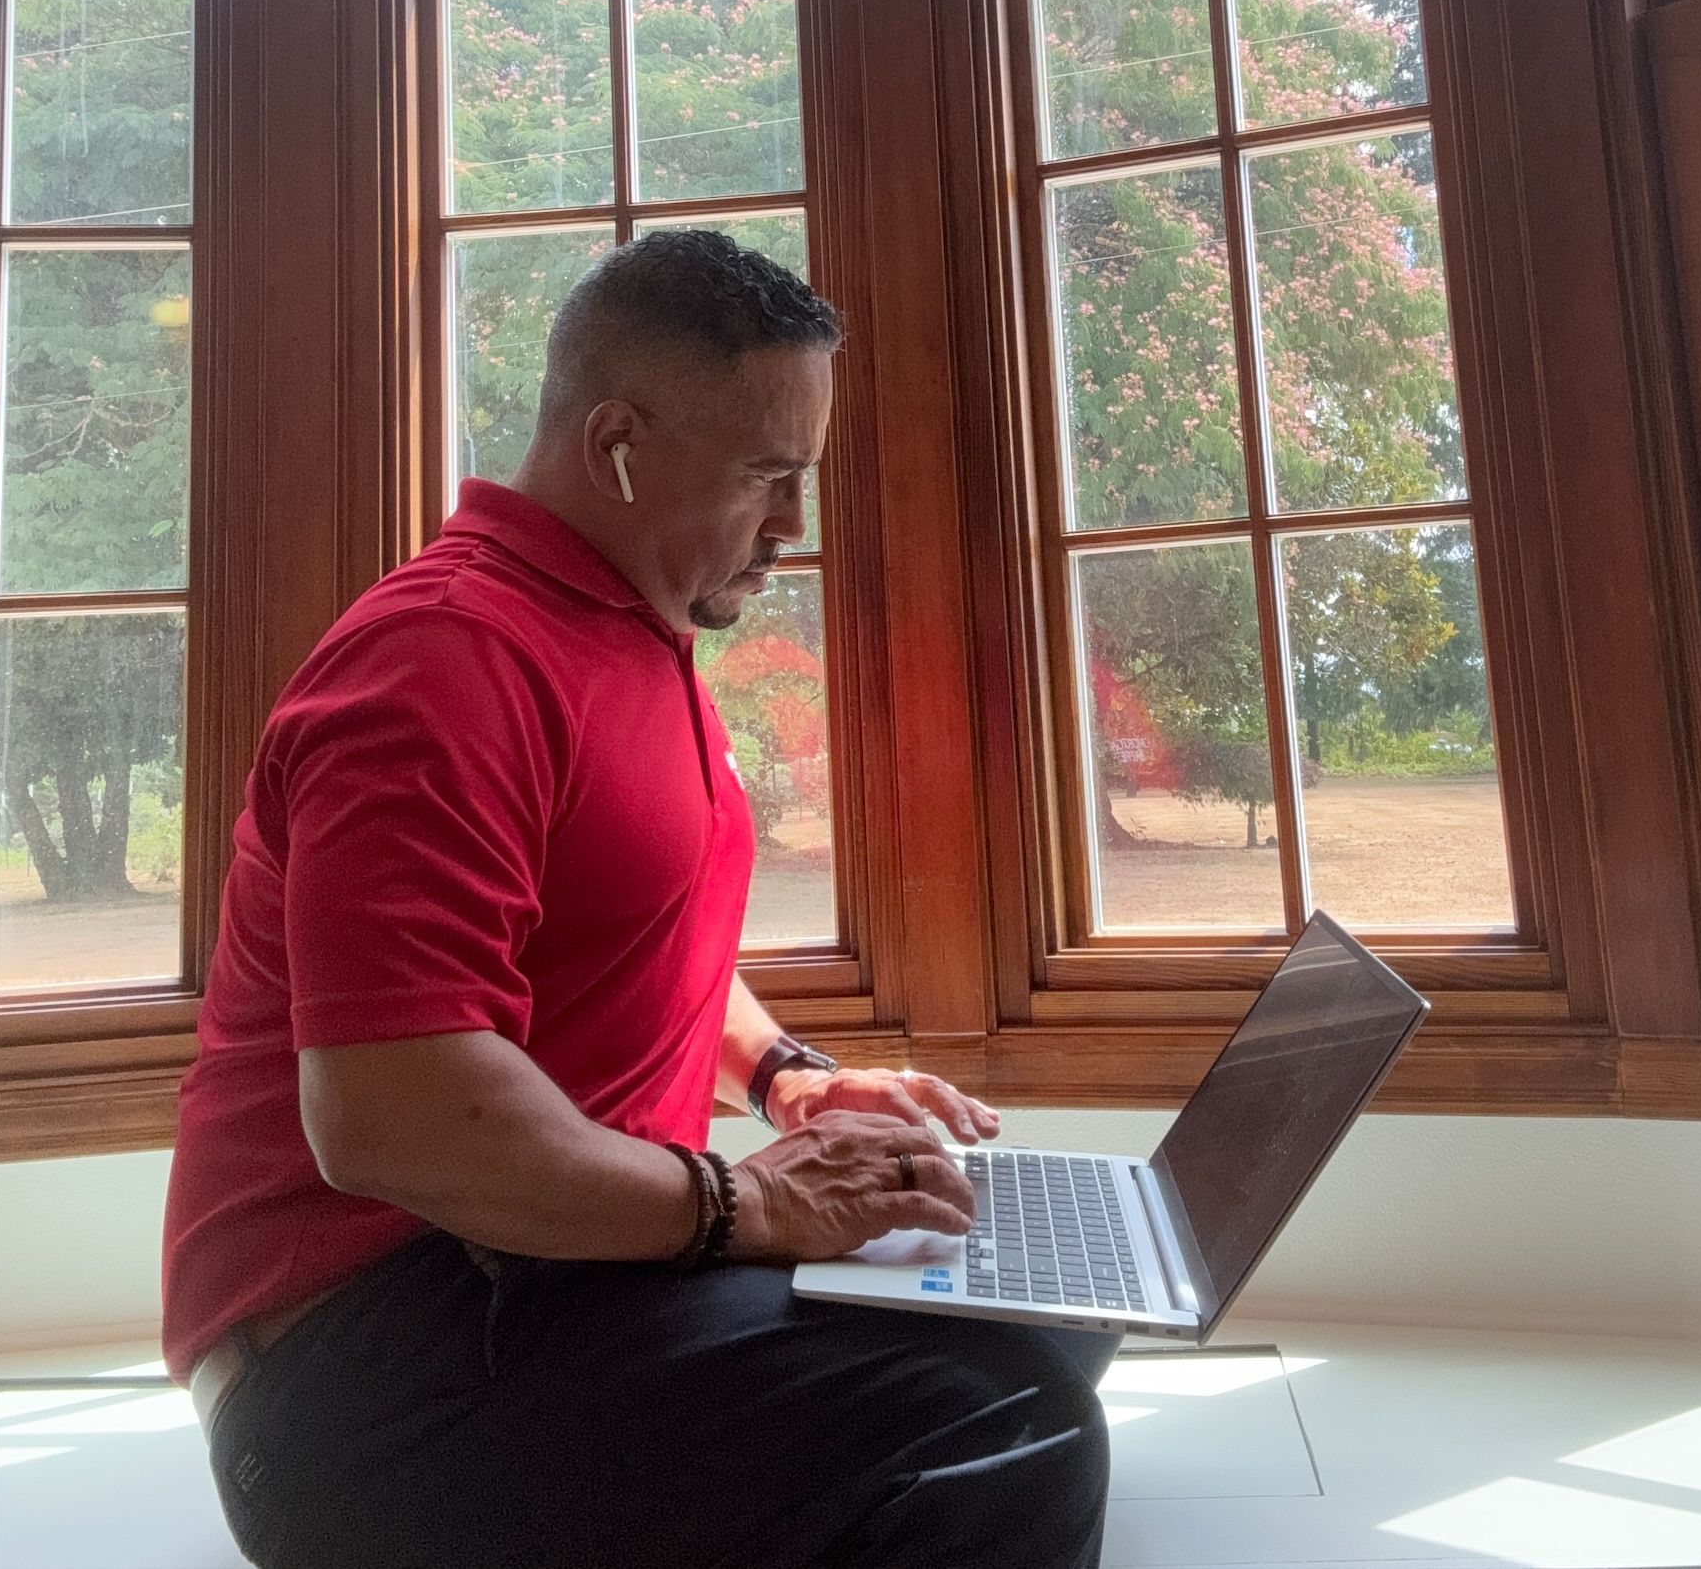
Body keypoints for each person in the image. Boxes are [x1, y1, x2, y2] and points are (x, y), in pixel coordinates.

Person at [163, 231, 1116, 1568]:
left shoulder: (626, 631)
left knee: (1049, 1316)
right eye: (767, 476)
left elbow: (645, 938)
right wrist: (748, 1206)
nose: (793, 524)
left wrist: (788, 1082)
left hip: (557, 1268)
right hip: (359, 1365)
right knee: (1007, 1421)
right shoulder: (440, 663)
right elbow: (388, 1119)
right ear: (616, 444)